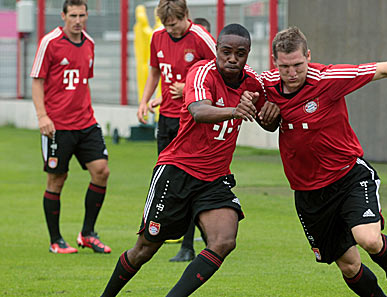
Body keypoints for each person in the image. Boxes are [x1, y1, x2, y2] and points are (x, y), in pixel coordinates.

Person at [258, 27, 387, 297]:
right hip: (308, 192)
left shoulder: (329, 78)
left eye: (298, 64)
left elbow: (386, 68)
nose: (291, 73)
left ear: (308, 56)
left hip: (349, 176)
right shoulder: (263, 86)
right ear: (274, 62)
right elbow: (240, 88)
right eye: (284, 66)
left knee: (368, 238)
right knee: (349, 266)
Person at [100, 24, 280, 297]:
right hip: (177, 172)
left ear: (248, 54)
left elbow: (269, 121)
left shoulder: (253, 82)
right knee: (144, 250)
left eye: (240, 53)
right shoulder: (200, 72)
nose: (232, 58)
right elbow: (198, 111)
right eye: (226, 51)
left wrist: (272, 115)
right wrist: (234, 110)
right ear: (216, 50)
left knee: (224, 241)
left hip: (214, 179)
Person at [136, 0, 217, 262]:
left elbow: (221, 75)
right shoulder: (158, 37)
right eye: (167, 26)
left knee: (190, 179)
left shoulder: (201, 38)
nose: (172, 31)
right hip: (167, 118)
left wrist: (190, 90)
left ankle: (188, 244)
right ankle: (154, 232)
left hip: (193, 120)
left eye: (175, 25)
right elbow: (155, 72)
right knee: (163, 175)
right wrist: (145, 99)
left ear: (186, 16)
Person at [30, 0, 111, 254]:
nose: (78, 20)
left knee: (101, 171)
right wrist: (43, 116)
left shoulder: (89, 43)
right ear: (63, 15)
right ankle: (56, 240)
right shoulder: (49, 42)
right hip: (57, 126)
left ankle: (87, 234)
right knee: (57, 179)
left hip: (86, 122)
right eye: (73, 15)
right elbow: (37, 82)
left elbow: (83, 82)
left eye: (82, 15)